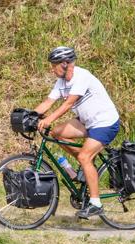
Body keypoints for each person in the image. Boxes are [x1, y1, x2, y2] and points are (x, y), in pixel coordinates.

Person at [31, 46, 121, 219]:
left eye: (54, 64)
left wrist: (48, 119)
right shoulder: (61, 82)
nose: (52, 68)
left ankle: (96, 203)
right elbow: (48, 102)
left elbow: (68, 104)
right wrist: (29, 116)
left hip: (105, 123)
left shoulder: (82, 76)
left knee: (84, 157)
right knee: (56, 133)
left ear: (65, 64)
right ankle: (86, 166)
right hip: (86, 122)